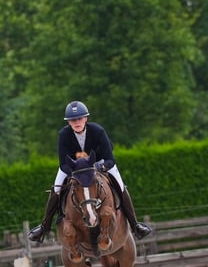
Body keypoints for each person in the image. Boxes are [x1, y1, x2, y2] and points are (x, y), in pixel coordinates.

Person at [28, 100, 152, 243]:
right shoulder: (63, 134)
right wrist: (75, 172)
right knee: (56, 189)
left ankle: (135, 225)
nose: (77, 122)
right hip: (74, 168)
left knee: (121, 186)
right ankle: (44, 227)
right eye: (73, 120)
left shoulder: (98, 131)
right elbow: (63, 164)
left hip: (98, 163)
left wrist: (101, 168)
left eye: (80, 118)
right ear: (68, 122)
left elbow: (110, 159)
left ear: (86, 118)